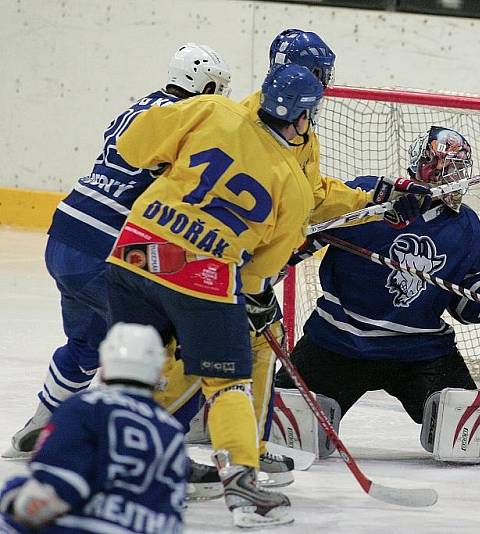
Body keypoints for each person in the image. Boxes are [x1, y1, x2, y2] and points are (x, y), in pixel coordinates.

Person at [104, 63, 428, 527]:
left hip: (133, 255)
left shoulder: (212, 110)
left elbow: (132, 145)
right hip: (202, 278)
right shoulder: (292, 185)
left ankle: (110, 466)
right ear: (299, 118)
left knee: (132, 370)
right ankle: (242, 487)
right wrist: (252, 301)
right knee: (227, 383)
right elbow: (259, 273)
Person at [273, 127, 480, 463]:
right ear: (423, 164)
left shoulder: (463, 225)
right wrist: (266, 268)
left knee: (469, 435)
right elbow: (303, 235)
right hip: (337, 344)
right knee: (278, 433)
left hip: (420, 354)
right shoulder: (368, 193)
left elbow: (465, 305)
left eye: (460, 168)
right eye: (446, 167)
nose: (454, 176)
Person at [4, 43, 232, 459]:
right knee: (164, 346)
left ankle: (41, 425)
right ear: (207, 84)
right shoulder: (186, 120)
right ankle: (148, 445)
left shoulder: (141, 106)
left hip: (65, 232)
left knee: (86, 342)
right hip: (106, 247)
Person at [0, 323, 186, 534]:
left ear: (105, 363)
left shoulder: (84, 407)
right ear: (156, 371)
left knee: (12, 503)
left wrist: (12, 498)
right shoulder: (171, 428)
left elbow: (43, 500)